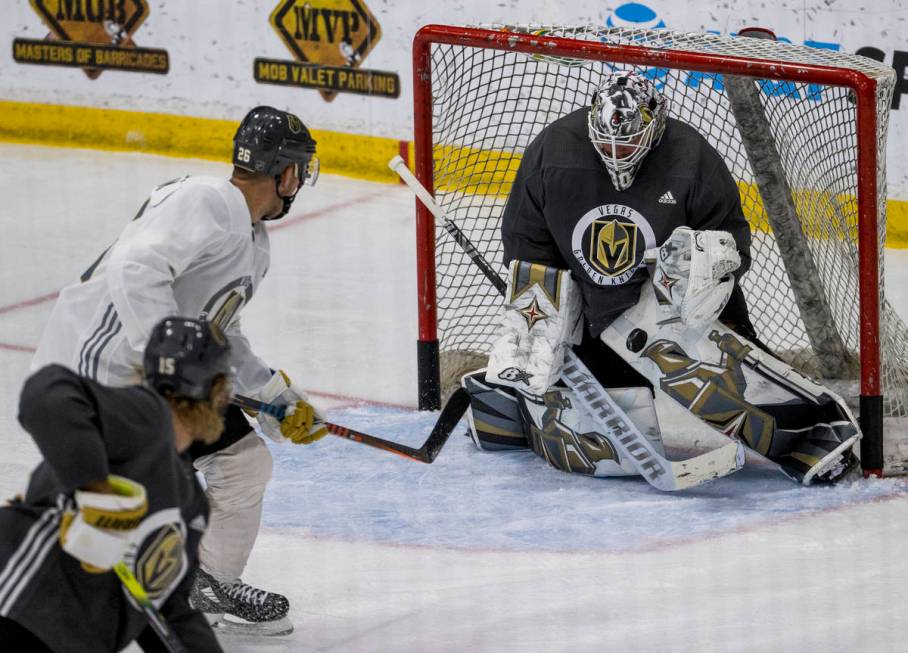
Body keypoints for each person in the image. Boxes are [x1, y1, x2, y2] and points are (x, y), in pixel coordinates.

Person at [470, 70, 858, 485]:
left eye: (630, 140)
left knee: (726, 379)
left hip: (679, 318)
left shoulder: (692, 158)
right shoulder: (553, 152)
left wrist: (698, 269)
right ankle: (507, 413)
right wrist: (550, 323)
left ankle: (811, 433)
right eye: (606, 141)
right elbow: (526, 245)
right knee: (585, 434)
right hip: (594, 314)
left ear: (656, 127)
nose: (617, 151)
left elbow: (734, 246)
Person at [28, 106, 328, 634]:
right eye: (300, 170)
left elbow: (220, 334)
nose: (300, 181)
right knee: (117, 503)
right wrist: (168, 361)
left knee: (243, 461)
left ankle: (210, 582)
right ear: (285, 173)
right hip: (97, 368)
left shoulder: (253, 243)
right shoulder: (207, 200)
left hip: (156, 376)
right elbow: (136, 267)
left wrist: (278, 396)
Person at [0, 317, 230, 652]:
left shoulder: (190, 501)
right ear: (212, 390)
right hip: (18, 612)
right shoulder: (144, 415)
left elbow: (168, 609)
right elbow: (46, 393)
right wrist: (95, 488)